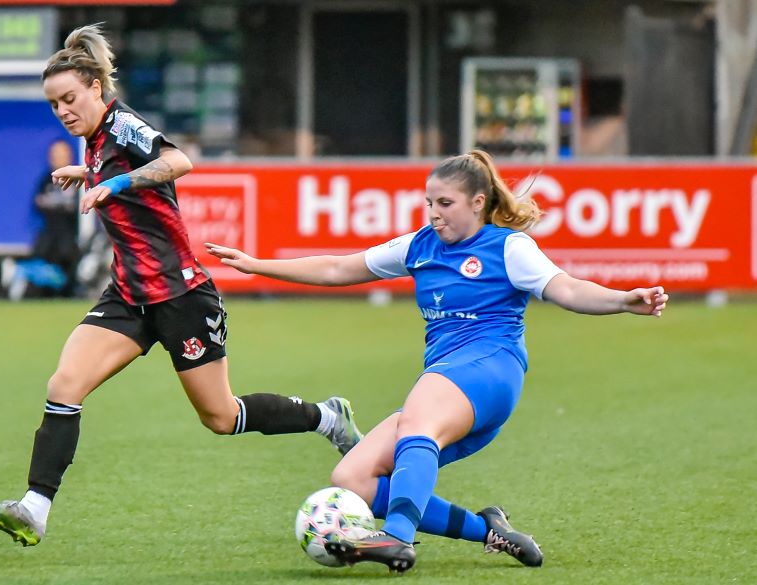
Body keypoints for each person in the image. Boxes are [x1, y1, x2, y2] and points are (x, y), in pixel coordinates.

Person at [0, 24, 363, 547]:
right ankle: (34, 509)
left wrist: (109, 182)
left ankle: (327, 418)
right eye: (53, 104)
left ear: (95, 88)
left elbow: (179, 161)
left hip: (181, 295)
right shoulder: (92, 141)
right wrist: (87, 175)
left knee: (221, 417)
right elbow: (117, 174)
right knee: (64, 386)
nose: (62, 110)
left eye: (69, 98)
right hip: (129, 296)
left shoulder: (122, 124)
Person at [206, 149, 669, 572]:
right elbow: (338, 268)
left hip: (490, 368)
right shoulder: (420, 246)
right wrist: (256, 263)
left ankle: (395, 538)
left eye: (444, 203)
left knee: (419, 418)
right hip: (446, 381)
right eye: (429, 202)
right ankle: (490, 530)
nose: (434, 213)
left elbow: (567, 289)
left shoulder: (508, 247)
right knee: (353, 477)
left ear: (478, 202)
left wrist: (622, 300)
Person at [3, 139, 81, 300]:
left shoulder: (78, 178)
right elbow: (38, 203)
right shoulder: (46, 180)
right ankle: (22, 273)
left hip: (70, 237)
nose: (59, 158)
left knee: (67, 269)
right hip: (49, 235)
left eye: (63, 154)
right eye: (55, 155)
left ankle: (21, 271)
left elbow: (79, 208)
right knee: (44, 262)